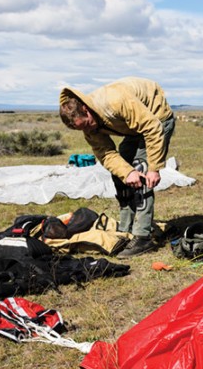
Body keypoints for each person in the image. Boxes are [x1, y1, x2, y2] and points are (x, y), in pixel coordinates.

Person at [59, 77, 176, 259]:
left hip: (156, 118)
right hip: (134, 127)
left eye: (88, 125)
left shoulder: (116, 101)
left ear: (86, 110)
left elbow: (152, 127)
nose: (88, 131)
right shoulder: (88, 126)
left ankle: (142, 237)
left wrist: (154, 168)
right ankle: (126, 227)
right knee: (122, 170)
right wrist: (127, 172)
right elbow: (106, 153)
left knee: (141, 169)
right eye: (82, 129)